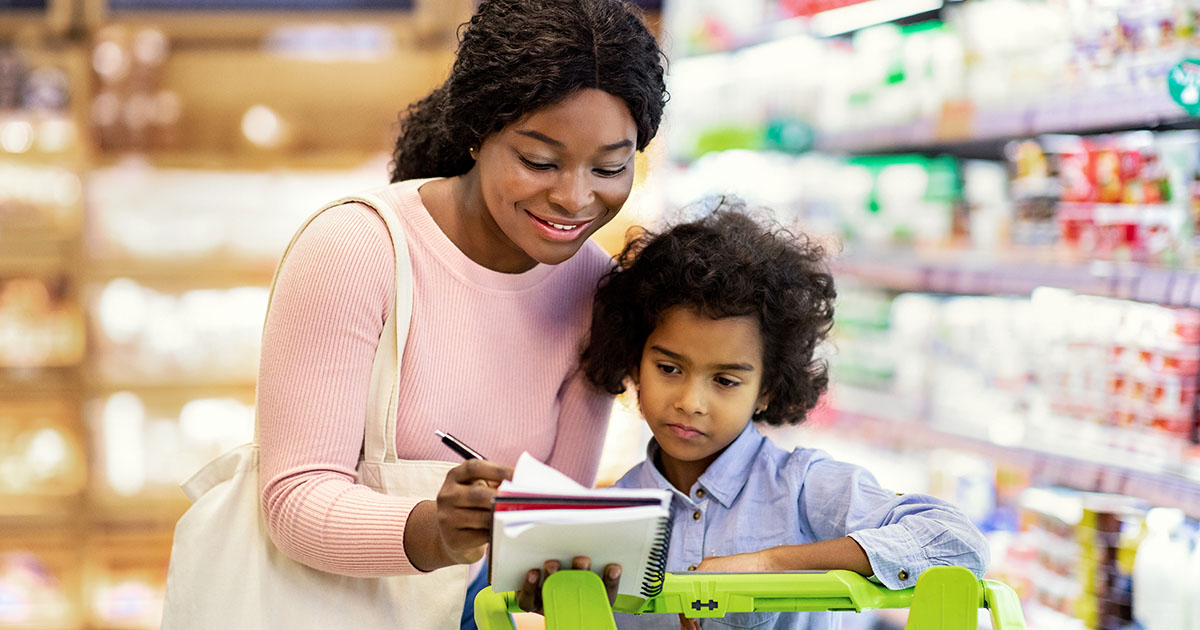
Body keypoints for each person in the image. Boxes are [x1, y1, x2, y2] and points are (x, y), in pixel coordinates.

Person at [255, 0, 667, 623]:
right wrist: (433, 531)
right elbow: (294, 500)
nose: (576, 198)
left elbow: (556, 515)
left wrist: (561, 565)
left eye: (610, 167)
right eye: (539, 161)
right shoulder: (356, 247)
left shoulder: (595, 291)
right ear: (477, 131)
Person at [578, 201, 990, 630]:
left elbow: (956, 542)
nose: (690, 401)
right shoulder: (610, 515)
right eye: (669, 369)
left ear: (767, 390)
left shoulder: (803, 487)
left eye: (725, 380)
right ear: (634, 361)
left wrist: (771, 563)